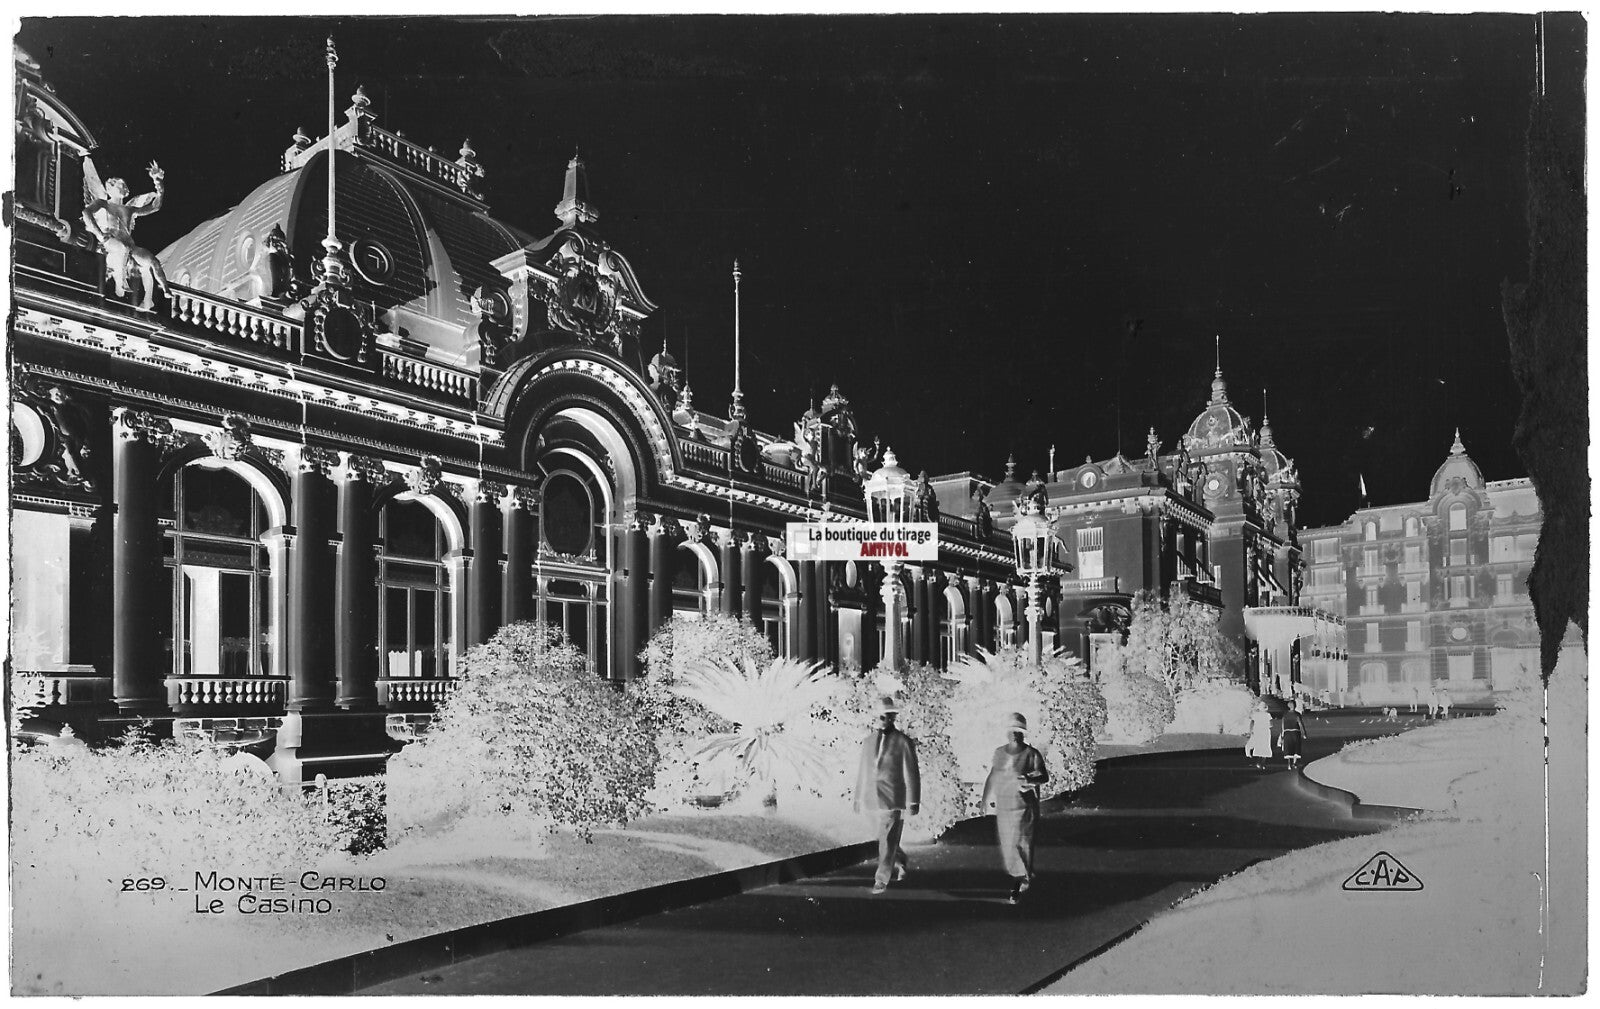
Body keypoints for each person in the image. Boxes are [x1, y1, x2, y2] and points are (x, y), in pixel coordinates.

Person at [853, 695, 921, 894]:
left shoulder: (903, 742)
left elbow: (912, 773)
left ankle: (881, 879)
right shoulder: (868, 742)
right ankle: (899, 859)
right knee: (883, 838)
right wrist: (857, 797)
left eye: (887, 717)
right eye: (881, 717)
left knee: (887, 838)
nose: (884, 720)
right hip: (872, 798)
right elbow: (862, 771)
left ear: (893, 718)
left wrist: (914, 800)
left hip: (893, 798)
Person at [982, 712, 1050, 904]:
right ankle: (1022, 874)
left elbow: (1044, 777)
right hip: (1004, 806)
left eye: (1018, 731)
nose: (1014, 735)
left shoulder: (1031, 754)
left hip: (1024, 807)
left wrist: (1029, 779)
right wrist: (984, 798)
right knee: (1009, 846)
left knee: (1021, 843)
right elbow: (993, 775)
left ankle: (1020, 881)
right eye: (1011, 731)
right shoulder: (999, 753)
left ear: (1023, 734)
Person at [1244, 699, 1275, 770]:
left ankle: (1258, 762)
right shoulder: (1268, 715)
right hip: (1265, 732)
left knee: (1258, 745)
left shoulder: (1255, 714)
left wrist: (1251, 730)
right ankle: (1263, 763)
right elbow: (1271, 724)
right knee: (1265, 746)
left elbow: (1252, 723)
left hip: (1257, 731)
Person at [1279, 700, 1308, 770]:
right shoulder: (1297, 714)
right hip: (1295, 732)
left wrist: (1282, 735)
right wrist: (1304, 733)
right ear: (1295, 706)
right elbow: (1300, 724)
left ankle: (1289, 764)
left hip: (1287, 733)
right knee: (1296, 748)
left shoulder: (1285, 715)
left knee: (1288, 749)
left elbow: (1282, 725)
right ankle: (1294, 763)